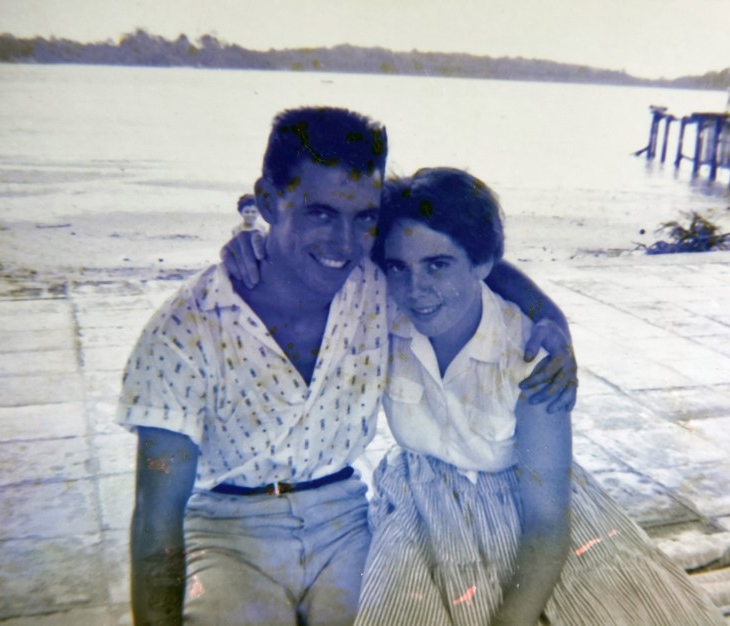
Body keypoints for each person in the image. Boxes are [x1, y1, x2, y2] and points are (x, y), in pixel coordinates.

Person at [119, 107, 577, 626]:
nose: (344, 243)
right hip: (230, 530)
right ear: (268, 201)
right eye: (320, 213)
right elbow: (156, 523)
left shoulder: (379, 283)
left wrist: (551, 320)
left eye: (364, 219)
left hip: (343, 518)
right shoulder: (184, 331)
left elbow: (469, 259)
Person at [355, 168, 726, 626]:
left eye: (438, 265)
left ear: (481, 264)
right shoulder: (387, 319)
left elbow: (547, 526)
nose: (416, 289)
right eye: (399, 267)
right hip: (419, 502)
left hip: (525, 508)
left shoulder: (532, 356)